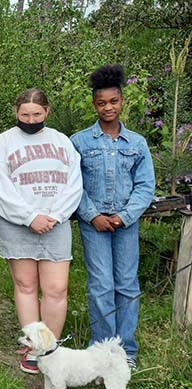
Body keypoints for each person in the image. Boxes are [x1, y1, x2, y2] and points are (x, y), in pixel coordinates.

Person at [0, 88, 83, 373]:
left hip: (55, 223)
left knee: (56, 289)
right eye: (25, 114)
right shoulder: (4, 142)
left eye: (37, 114)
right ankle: (32, 346)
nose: (30, 119)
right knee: (26, 286)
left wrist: (54, 215)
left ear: (47, 112)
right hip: (18, 224)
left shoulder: (61, 142)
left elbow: (74, 183)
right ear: (16, 112)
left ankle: (50, 348)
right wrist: (29, 217)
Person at [70, 64, 155, 371]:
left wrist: (124, 216)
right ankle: (102, 352)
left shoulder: (137, 143)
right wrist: (92, 215)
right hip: (94, 225)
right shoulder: (79, 142)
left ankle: (126, 352)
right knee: (101, 285)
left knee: (128, 285)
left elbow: (145, 186)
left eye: (113, 102)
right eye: (102, 103)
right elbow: (72, 184)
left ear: (122, 102)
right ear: (94, 105)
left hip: (125, 224)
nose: (108, 107)